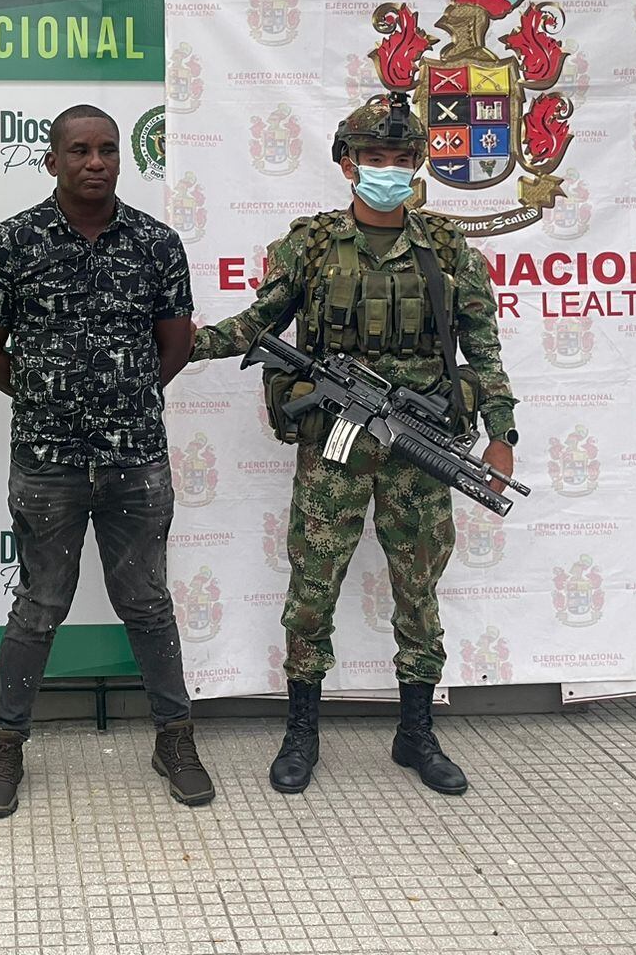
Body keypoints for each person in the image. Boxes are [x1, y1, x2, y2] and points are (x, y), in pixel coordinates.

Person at [190, 93, 518, 796]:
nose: (388, 171)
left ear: (418, 166)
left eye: (402, 160)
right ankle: (302, 731)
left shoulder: (446, 248)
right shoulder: (310, 244)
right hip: (334, 449)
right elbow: (257, 324)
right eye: (375, 158)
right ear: (347, 163)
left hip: (421, 448)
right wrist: (185, 344)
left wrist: (502, 435)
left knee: (419, 593)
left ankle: (416, 732)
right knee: (312, 589)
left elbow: (483, 346)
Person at [0, 104, 214, 819]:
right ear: (52, 161)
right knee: (39, 605)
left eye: (107, 149)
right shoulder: (10, 243)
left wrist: (125, 397)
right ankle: (5, 746)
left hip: (135, 457)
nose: (96, 161)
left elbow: (176, 342)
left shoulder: (157, 243)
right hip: (47, 461)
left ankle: (174, 737)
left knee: (147, 601)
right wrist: (46, 397)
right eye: (79, 150)